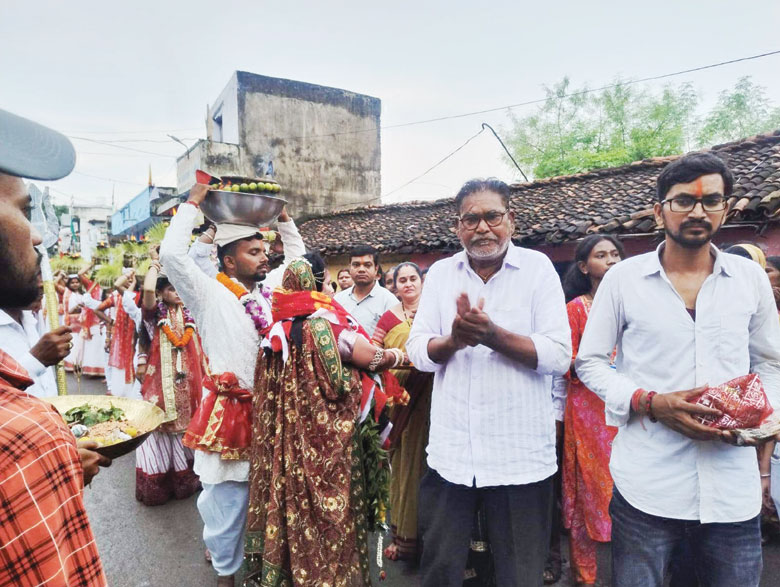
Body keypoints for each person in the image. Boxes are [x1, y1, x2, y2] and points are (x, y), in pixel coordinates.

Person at [576, 152, 780, 586]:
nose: (698, 212)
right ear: (659, 210)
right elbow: (590, 362)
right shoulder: (623, 280)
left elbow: (770, 363)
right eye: (684, 200)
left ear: (726, 208)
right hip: (648, 486)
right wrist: (648, 402)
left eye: (711, 201)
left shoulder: (749, 279)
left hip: (731, 488)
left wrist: (758, 419)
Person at [406, 178, 572, 586]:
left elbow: (558, 354)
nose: (483, 228)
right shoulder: (443, 274)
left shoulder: (538, 269)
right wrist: (454, 340)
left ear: (511, 220)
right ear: (458, 227)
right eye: (471, 219)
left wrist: (492, 335)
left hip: (519, 455)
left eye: (492, 216)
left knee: (519, 575)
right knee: (441, 570)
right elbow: (417, 351)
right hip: (451, 455)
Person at [160, 184, 305, 587]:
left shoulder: (269, 294)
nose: (264, 259)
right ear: (228, 259)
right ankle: (225, 575)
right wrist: (192, 207)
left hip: (271, 413)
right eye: (253, 252)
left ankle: (262, 566)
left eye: (264, 252)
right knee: (226, 502)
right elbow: (172, 256)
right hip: (229, 415)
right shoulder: (209, 295)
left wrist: (285, 220)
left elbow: (297, 261)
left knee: (270, 501)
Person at [244, 255, 406, 586]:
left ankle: (288, 571)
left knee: (290, 503)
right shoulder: (325, 324)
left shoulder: (275, 330)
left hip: (284, 441)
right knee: (327, 508)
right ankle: (326, 574)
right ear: (317, 285)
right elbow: (367, 361)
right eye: (327, 282)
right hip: (324, 441)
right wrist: (398, 356)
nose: (331, 287)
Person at [0, 107, 110, 585]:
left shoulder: (20, 312)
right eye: (24, 211)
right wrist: (54, 455)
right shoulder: (21, 439)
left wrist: (63, 459)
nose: (40, 234)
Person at [558, 235, 624, 585]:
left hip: (629, 408)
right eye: (601, 255)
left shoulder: (632, 304)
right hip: (588, 411)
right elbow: (563, 360)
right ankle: (586, 575)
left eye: (615, 254)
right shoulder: (576, 309)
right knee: (589, 489)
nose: (611, 260)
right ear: (584, 267)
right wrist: (600, 365)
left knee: (628, 485)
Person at [372, 262, 433, 562]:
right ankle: (403, 536)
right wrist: (399, 360)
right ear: (394, 286)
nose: (408, 284)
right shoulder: (388, 317)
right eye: (401, 280)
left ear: (422, 282)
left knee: (432, 468)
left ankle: (435, 538)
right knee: (405, 467)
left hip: (435, 398)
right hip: (400, 403)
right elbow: (372, 356)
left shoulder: (436, 312)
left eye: (413, 279)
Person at [134, 258, 204, 506]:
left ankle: (186, 481)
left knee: (185, 432)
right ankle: (160, 484)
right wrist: (154, 264)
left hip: (189, 387)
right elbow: (149, 291)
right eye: (173, 288)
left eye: (180, 288)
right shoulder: (154, 317)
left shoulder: (189, 314)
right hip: (161, 388)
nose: (179, 293)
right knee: (162, 432)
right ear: (163, 293)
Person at [0, 273, 70, 397]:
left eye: (40, 274)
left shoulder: (29, 318)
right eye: (31, 276)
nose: (41, 284)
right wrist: (35, 361)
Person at [334, 244, 398, 337]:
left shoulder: (388, 301)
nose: (361, 270)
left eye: (367, 265)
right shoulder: (338, 300)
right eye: (356, 265)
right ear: (350, 268)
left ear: (376, 269)